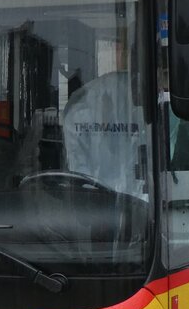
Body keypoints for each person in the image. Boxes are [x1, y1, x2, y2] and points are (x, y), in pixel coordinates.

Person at [61, 41, 148, 198]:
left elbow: (79, 172)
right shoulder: (150, 97)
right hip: (139, 204)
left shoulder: (80, 104)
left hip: (94, 204)